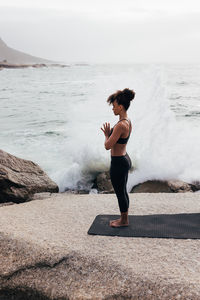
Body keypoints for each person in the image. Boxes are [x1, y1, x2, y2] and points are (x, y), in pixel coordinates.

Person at [101, 88, 135, 227]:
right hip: (124, 158)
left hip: (118, 162)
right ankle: (124, 218)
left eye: (114, 106)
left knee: (120, 193)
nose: (113, 109)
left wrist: (107, 135)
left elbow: (107, 146)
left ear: (120, 107)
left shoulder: (121, 125)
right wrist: (110, 134)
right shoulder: (128, 120)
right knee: (123, 191)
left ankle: (124, 221)